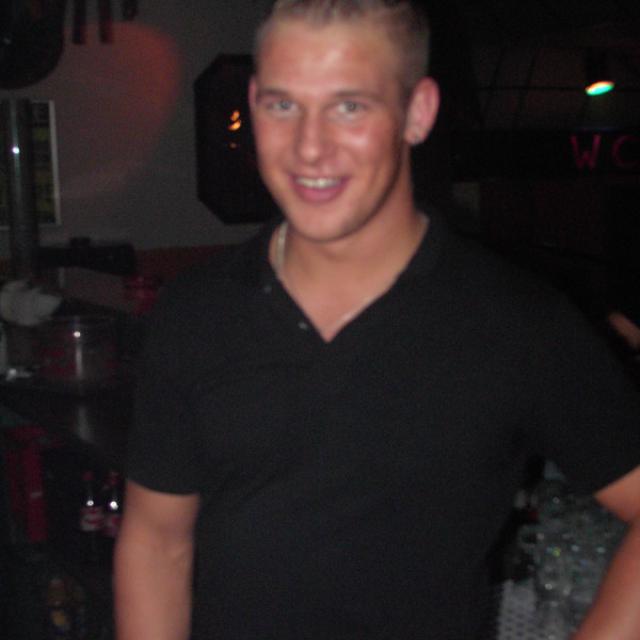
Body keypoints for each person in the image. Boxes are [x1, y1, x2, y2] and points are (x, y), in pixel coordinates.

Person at [114, 1, 640, 638]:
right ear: (253, 104)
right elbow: (156, 540)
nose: (309, 147)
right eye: (283, 105)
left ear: (418, 112)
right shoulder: (196, 311)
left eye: (349, 106)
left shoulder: (518, 321)